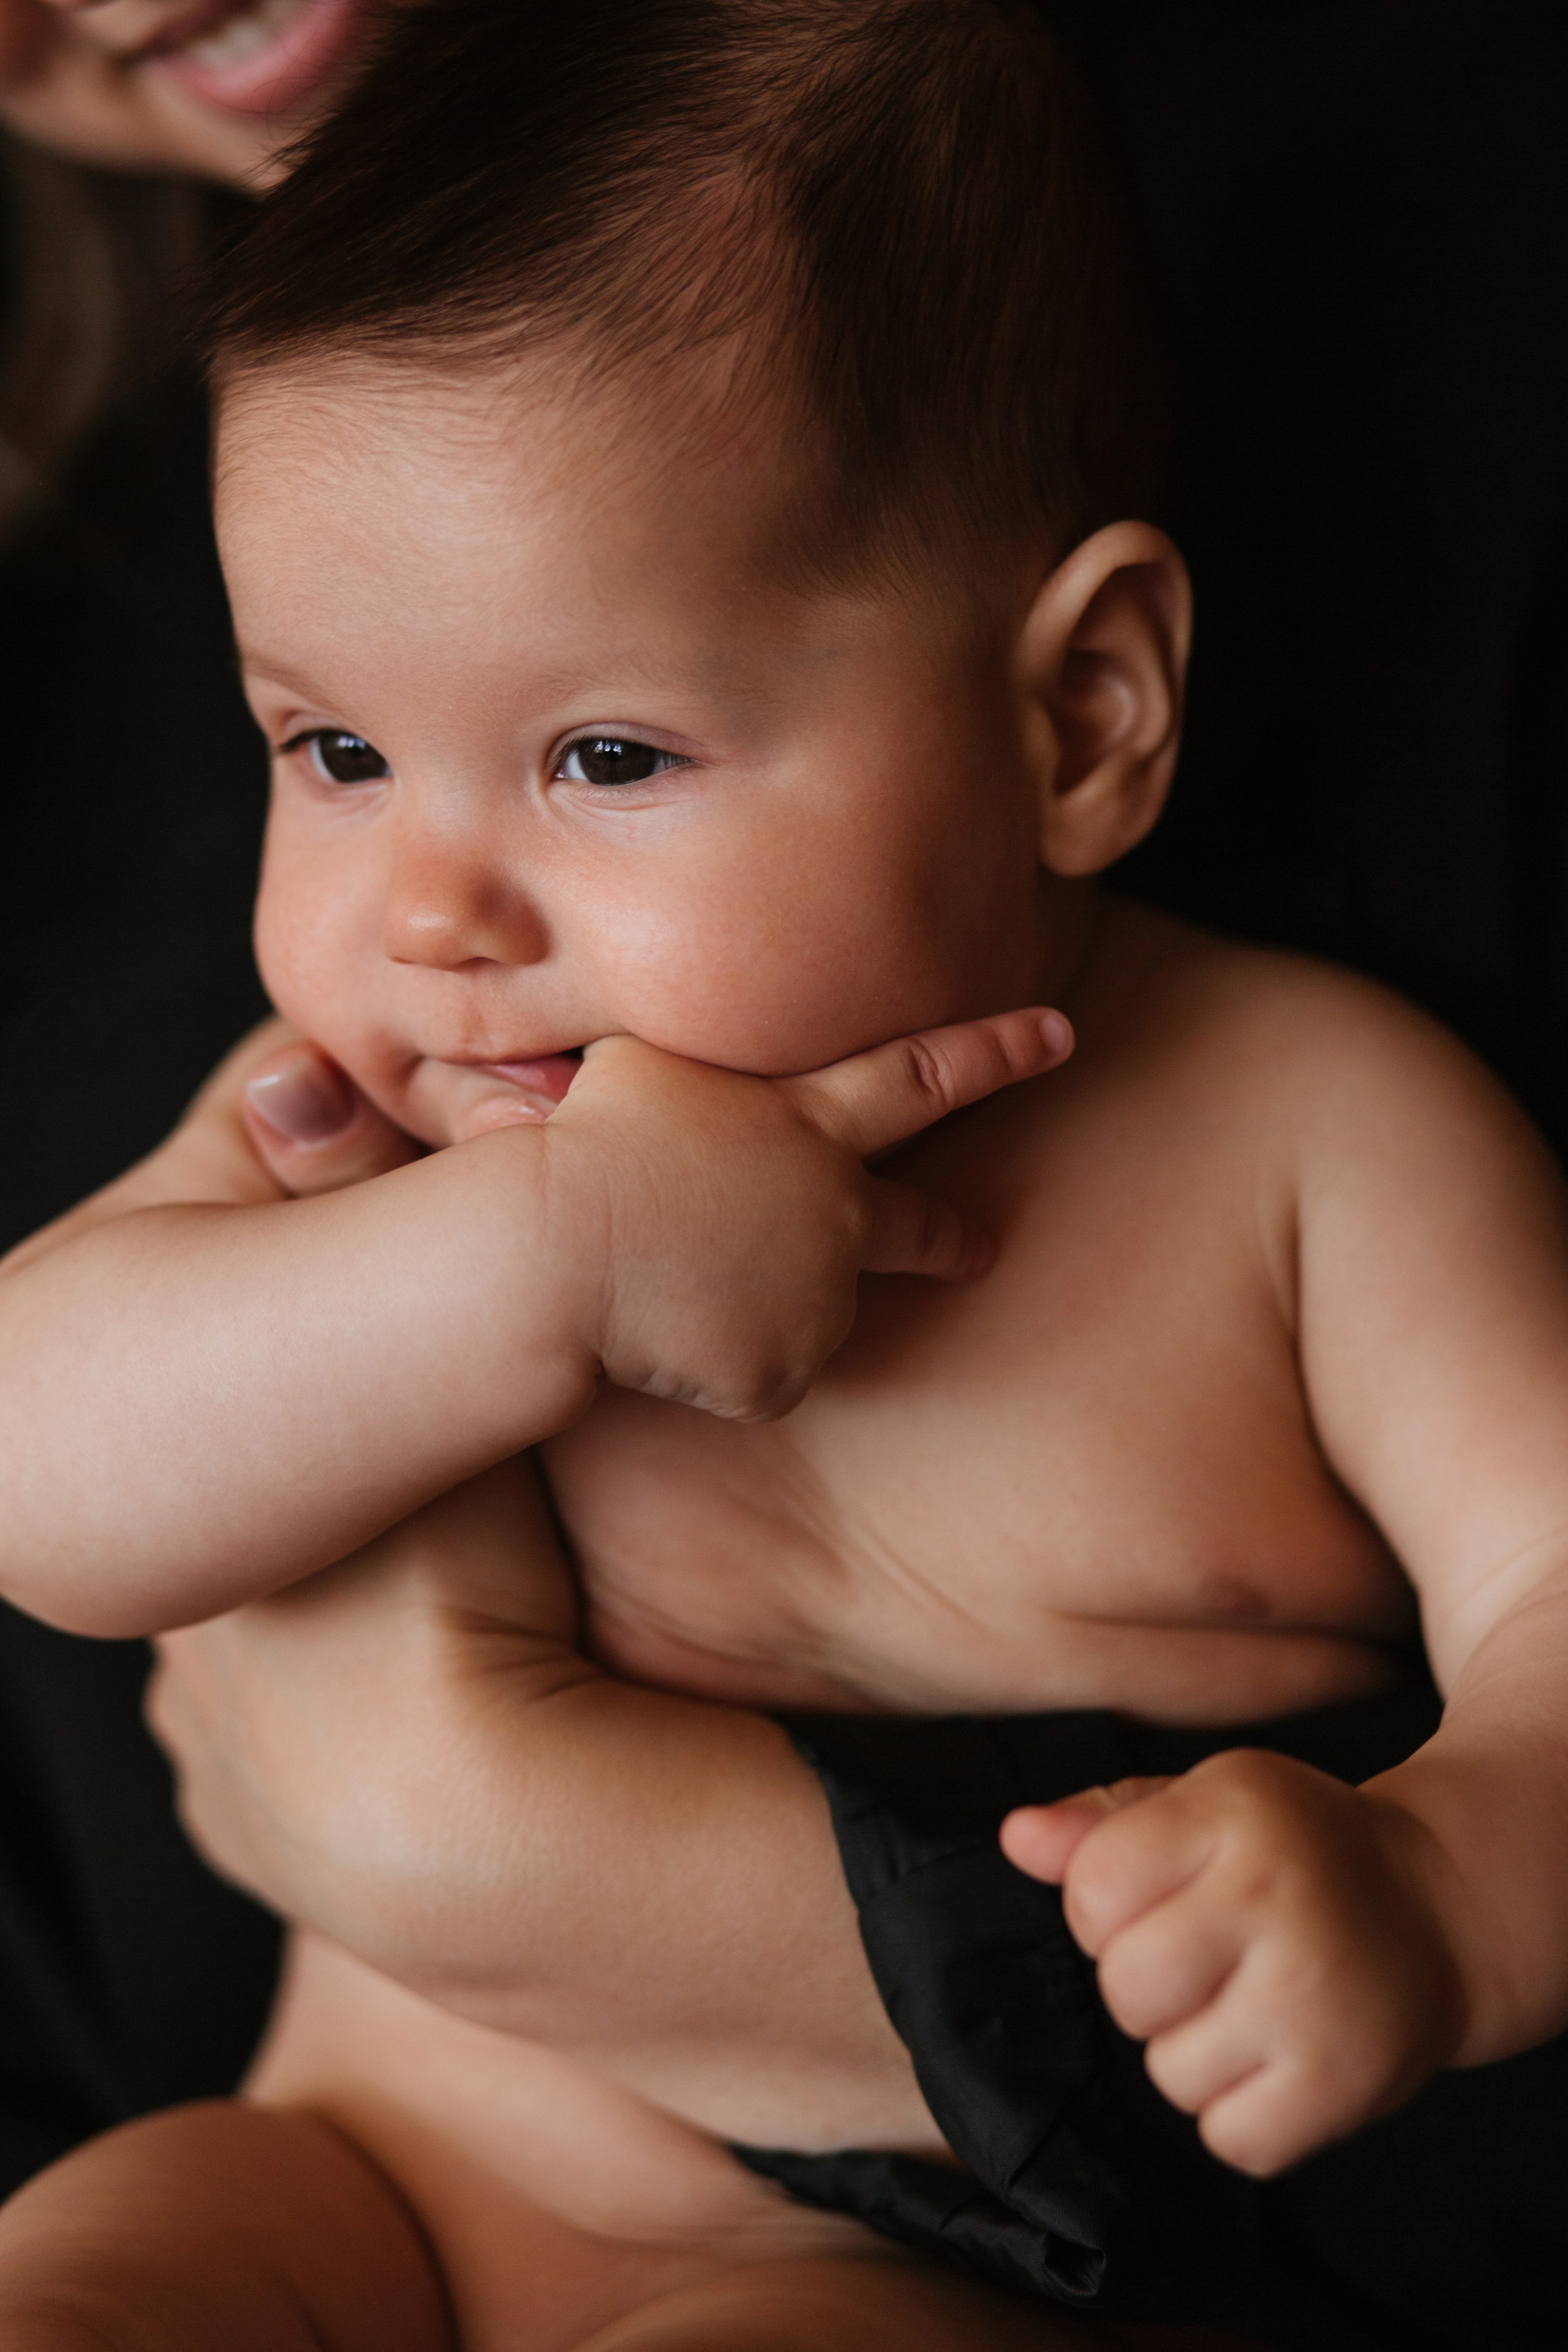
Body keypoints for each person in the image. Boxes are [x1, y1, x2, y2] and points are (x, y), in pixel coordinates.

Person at [2, 8, 1566, 2351]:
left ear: (1083, 717)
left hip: (882, 2256)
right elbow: (43, 1464)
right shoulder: (383, 1114)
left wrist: (1439, 1891)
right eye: (329, 746)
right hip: (351, 2166)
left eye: (605, 754)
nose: (433, 912)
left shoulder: (1314, 1147)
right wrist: (536, 1262)